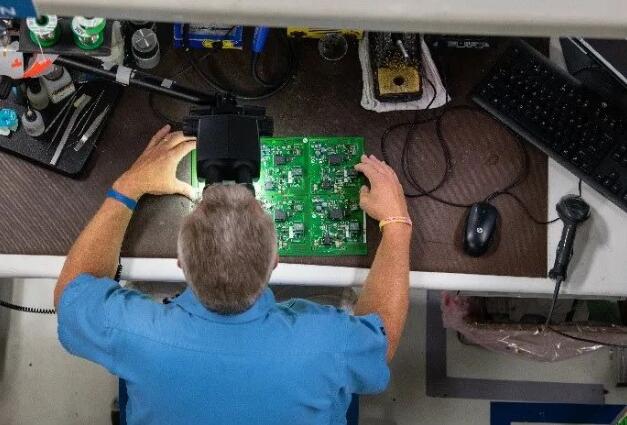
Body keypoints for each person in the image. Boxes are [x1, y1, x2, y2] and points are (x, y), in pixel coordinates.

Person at [55, 125, 412, 425]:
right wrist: (397, 225)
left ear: (181, 262)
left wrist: (129, 185)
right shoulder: (327, 343)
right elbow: (383, 338)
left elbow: (70, 293)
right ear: (275, 260)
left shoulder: (131, 331)